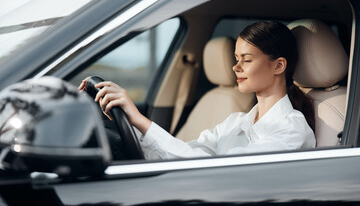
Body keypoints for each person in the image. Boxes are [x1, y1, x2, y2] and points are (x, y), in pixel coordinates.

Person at [79, 21, 316, 160]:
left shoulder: (290, 130)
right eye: (236, 58)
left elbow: (223, 175)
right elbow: (185, 156)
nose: (235, 67)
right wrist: (128, 123)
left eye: (247, 60)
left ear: (279, 65)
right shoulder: (236, 122)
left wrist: (139, 120)